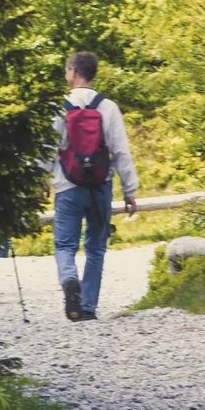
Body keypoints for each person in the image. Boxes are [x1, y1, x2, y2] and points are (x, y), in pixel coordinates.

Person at [47, 49, 138, 321]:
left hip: (67, 185)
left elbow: (46, 149)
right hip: (100, 187)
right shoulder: (107, 107)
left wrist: (40, 179)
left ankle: (69, 280)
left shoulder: (59, 108)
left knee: (64, 246)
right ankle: (87, 307)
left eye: (67, 70)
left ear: (73, 72)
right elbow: (121, 152)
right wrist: (130, 191)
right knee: (96, 248)